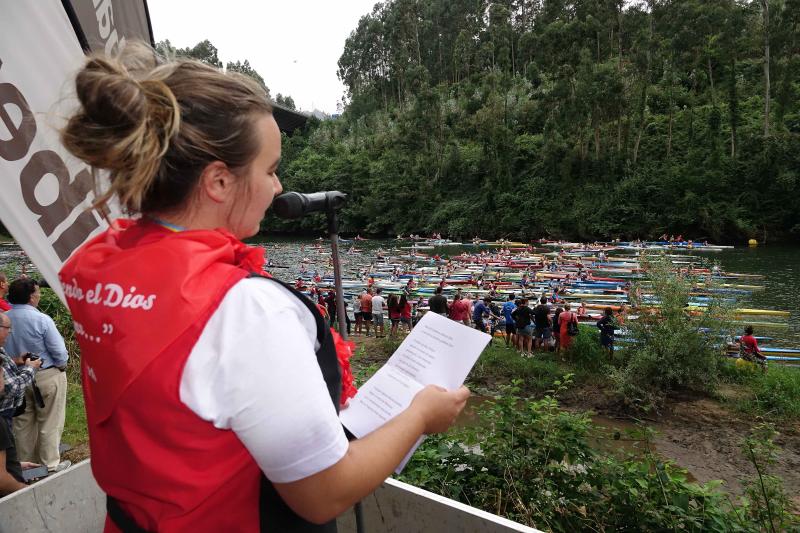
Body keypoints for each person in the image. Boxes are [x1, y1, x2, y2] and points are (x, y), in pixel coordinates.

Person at [57, 47, 468, 532]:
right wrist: (420, 416)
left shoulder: (100, 264)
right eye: (270, 169)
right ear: (218, 181)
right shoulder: (245, 310)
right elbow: (323, 493)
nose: (278, 188)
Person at [5, 278, 70, 473]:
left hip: (16, 377)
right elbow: (59, 352)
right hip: (46, 374)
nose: (39, 295)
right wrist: (61, 366)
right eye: (38, 293)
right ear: (31, 297)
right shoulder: (41, 319)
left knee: (22, 424)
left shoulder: (4, 319)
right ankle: (50, 465)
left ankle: (26, 468)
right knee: (50, 421)